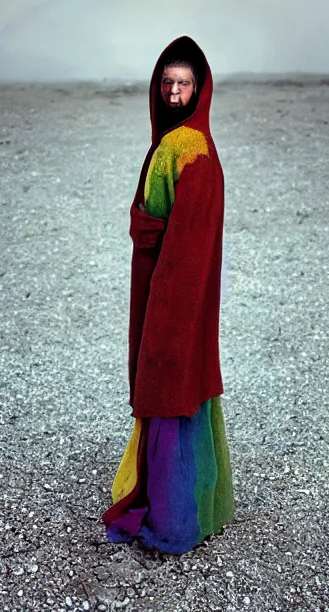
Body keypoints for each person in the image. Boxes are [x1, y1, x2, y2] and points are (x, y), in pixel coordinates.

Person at [102, 35, 234, 554]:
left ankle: (172, 517)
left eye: (183, 84)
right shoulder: (195, 143)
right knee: (185, 384)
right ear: (158, 89)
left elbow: (177, 235)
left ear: (198, 90)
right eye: (167, 83)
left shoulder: (183, 149)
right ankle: (192, 504)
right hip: (179, 288)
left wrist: (166, 309)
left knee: (168, 382)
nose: (174, 92)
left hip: (172, 292)